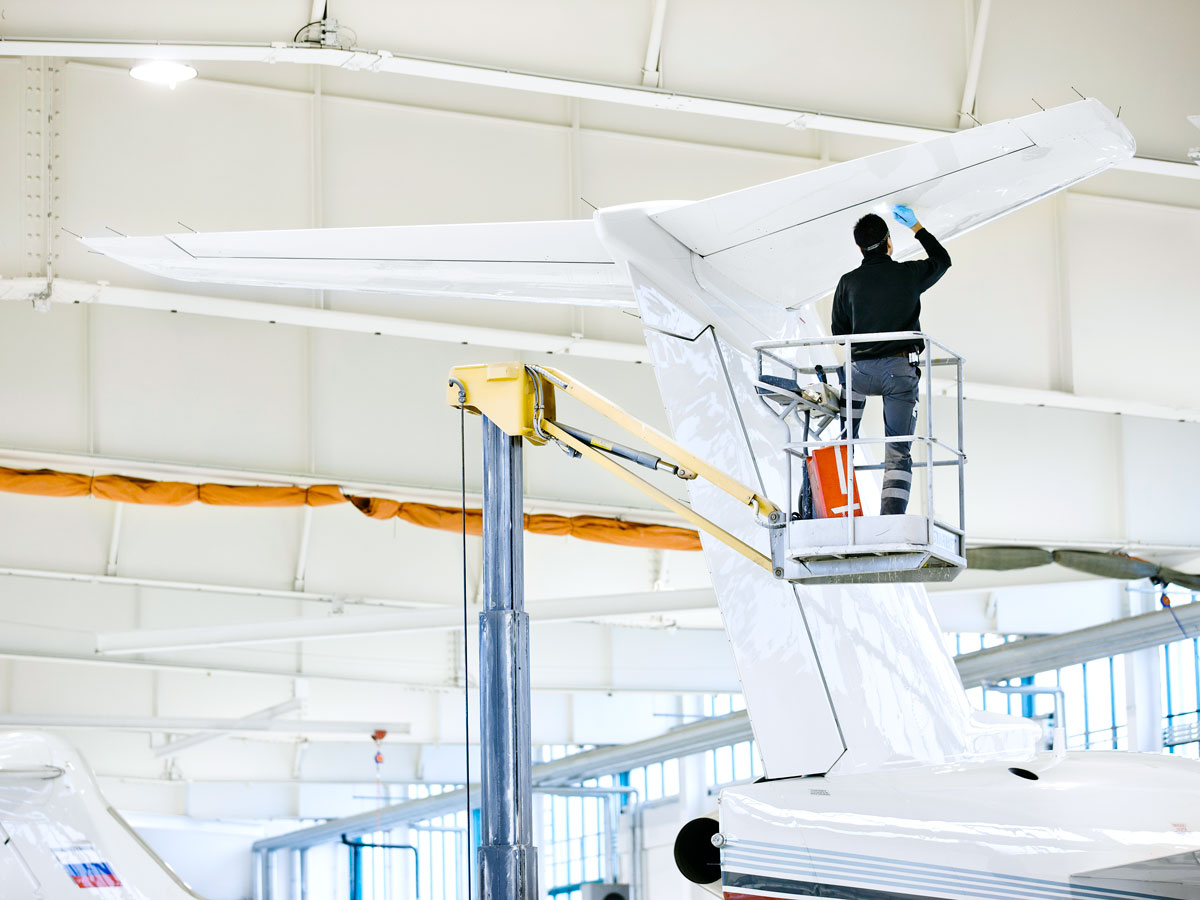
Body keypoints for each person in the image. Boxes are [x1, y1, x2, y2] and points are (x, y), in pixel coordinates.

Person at [830, 204, 951, 515]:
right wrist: (917, 227)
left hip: (858, 374)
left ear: (859, 248)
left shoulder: (847, 282)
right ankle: (891, 518)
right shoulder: (907, 274)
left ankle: (830, 504)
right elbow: (942, 261)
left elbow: (839, 334)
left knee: (845, 442)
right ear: (889, 243)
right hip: (899, 371)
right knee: (897, 450)